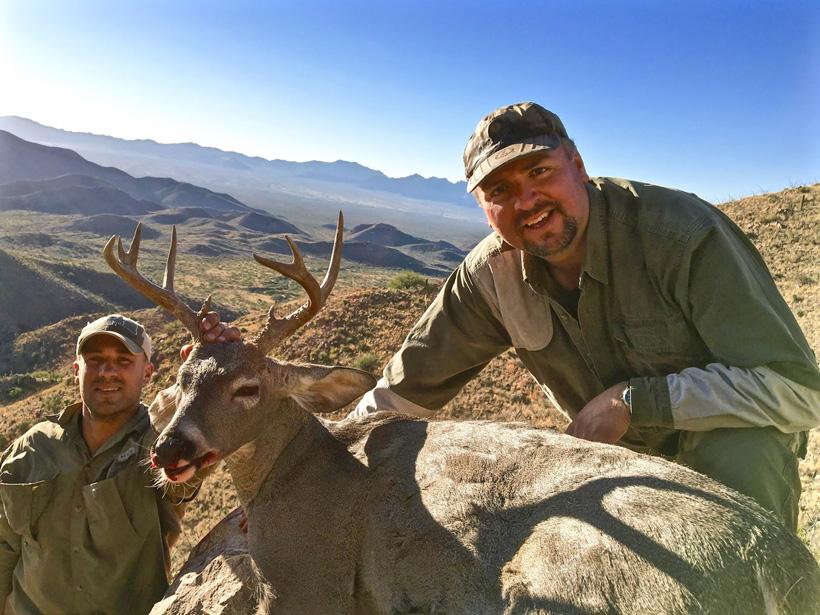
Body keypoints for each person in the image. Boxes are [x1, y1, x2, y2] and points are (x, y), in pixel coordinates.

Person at [354, 101, 820, 530]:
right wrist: (331, 456)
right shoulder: (490, 277)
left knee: (740, 473)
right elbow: (399, 394)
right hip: (615, 465)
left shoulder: (681, 237)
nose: (527, 201)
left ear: (577, 165)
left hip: (728, 446)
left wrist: (634, 402)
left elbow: (802, 392)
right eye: (500, 190)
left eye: (539, 171)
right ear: (483, 208)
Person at [0, 312, 237, 614]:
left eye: (123, 361)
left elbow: (198, 450)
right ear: (76, 370)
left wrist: (219, 367)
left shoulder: (161, 446)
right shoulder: (33, 447)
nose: (107, 371)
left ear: (147, 373)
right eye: (95, 360)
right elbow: (5, 544)